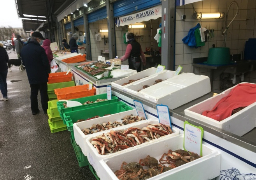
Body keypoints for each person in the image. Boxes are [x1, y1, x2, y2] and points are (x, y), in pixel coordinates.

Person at [20, 32, 50, 115]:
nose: (41, 41)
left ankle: (34, 110)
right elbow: (45, 62)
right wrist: (48, 71)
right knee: (43, 93)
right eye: (40, 39)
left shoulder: (24, 49)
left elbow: (24, 62)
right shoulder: (40, 49)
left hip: (31, 75)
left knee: (33, 92)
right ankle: (45, 109)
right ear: (37, 39)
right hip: (41, 75)